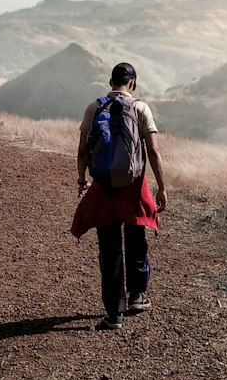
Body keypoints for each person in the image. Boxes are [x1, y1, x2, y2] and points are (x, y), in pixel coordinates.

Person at [71, 62, 167, 331]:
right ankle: (137, 295)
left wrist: (82, 180)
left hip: (104, 187)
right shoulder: (140, 108)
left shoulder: (94, 107)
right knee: (136, 239)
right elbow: (154, 152)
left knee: (109, 248)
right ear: (133, 82)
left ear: (111, 81)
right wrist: (162, 186)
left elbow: (81, 151)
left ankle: (115, 314)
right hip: (134, 186)